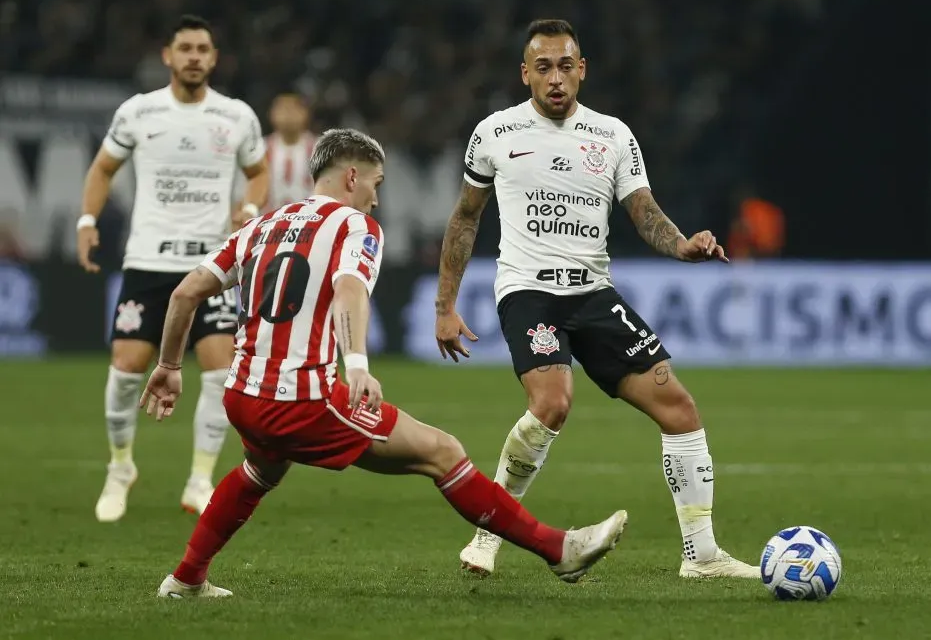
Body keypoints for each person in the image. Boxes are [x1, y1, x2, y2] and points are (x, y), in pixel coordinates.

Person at [138, 128, 628, 599]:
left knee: (260, 471)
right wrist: (355, 364)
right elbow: (348, 289)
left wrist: (169, 366)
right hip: (301, 400)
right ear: (352, 177)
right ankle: (558, 549)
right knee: (441, 451)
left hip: (242, 396)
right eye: (376, 183)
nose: (376, 198)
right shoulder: (356, 226)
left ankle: (185, 581)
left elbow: (186, 293)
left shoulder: (262, 225)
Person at [434, 19, 758, 580]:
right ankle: (488, 533)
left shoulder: (611, 136)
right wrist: (445, 306)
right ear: (525, 74)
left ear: (581, 70)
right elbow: (465, 218)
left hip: (592, 294)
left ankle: (701, 555)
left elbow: (644, 212)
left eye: (565, 66)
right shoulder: (495, 132)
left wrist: (683, 246)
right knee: (554, 400)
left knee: (679, 410)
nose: (555, 78)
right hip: (529, 290)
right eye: (543, 68)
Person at [77, 14, 270, 522]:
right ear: (167, 55)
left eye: (202, 49)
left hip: (212, 265)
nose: (193, 57)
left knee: (220, 371)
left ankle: (199, 479)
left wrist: (248, 211)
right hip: (147, 261)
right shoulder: (139, 112)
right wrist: (86, 219)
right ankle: (120, 468)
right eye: (184, 48)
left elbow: (258, 173)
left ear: (214, 58)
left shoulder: (236, 117)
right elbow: (102, 167)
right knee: (125, 369)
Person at [264, 92, 317, 212]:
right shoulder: (260, 150)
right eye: (283, 109)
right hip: (268, 224)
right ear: (271, 114)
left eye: (294, 108)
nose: (288, 114)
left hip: (311, 222)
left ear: (306, 113)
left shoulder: (321, 149)